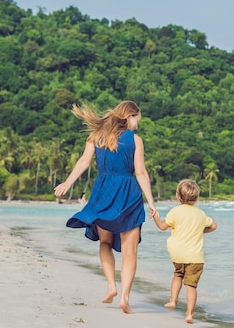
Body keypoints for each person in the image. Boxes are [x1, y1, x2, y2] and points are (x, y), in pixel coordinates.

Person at [54, 100, 157, 314]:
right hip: (129, 194)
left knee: (105, 242)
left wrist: (67, 183)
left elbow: (83, 161)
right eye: (137, 118)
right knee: (130, 252)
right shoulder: (135, 140)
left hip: (104, 193)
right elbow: (140, 173)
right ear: (129, 116)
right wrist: (151, 201)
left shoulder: (96, 136)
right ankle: (125, 298)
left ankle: (111, 286)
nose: (138, 123)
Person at [152, 179, 217, 324]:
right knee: (191, 286)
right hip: (195, 257)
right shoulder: (200, 213)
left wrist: (156, 218)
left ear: (178, 196)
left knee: (178, 275)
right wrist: (201, 231)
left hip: (178, 254)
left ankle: (173, 301)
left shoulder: (175, 211)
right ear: (197, 197)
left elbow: (163, 226)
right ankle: (189, 315)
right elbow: (213, 226)